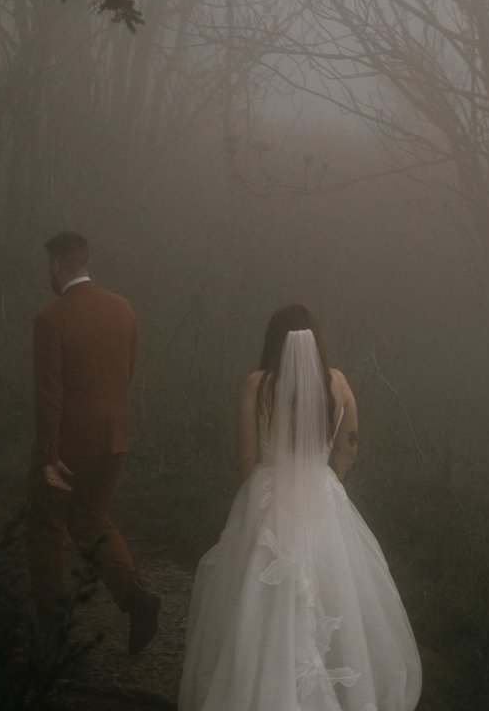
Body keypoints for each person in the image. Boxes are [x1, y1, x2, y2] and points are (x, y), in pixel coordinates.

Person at [179, 303, 421, 711]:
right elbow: (349, 447)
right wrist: (329, 482)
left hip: (270, 498)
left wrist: (266, 487)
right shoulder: (339, 383)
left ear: (274, 340)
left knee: (262, 595)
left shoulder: (259, 384)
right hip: (322, 495)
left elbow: (244, 458)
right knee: (335, 591)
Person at [26, 229, 161, 654]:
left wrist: (48, 455)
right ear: (87, 263)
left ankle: (51, 635)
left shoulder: (51, 319)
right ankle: (137, 599)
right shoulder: (123, 310)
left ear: (56, 267)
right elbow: (126, 374)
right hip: (115, 437)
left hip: (68, 445)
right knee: (91, 520)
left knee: (46, 530)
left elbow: (49, 395)